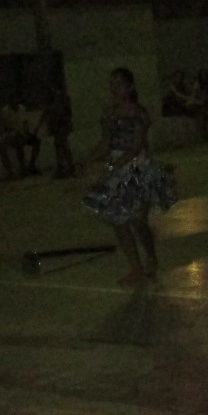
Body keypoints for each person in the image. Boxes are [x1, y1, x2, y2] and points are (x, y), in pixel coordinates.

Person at [81, 67, 177, 284]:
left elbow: (137, 146)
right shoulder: (108, 113)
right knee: (118, 220)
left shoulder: (138, 113)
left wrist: (112, 168)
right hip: (116, 166)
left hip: (137, 167)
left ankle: (150, 255)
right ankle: (136, 268)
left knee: (139, 221)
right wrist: (87, 161)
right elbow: (105, 143)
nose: (114, 87)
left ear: (130, 87)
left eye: (119, 83)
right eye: (112, 83)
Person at [41, 82, 77, 178]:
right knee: (60, 145)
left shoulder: (61, 98)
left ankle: (68, 166)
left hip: (62, 124)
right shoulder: (53, 98)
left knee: (63, 145)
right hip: (57, 125)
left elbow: (64, 112)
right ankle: (65, 166)